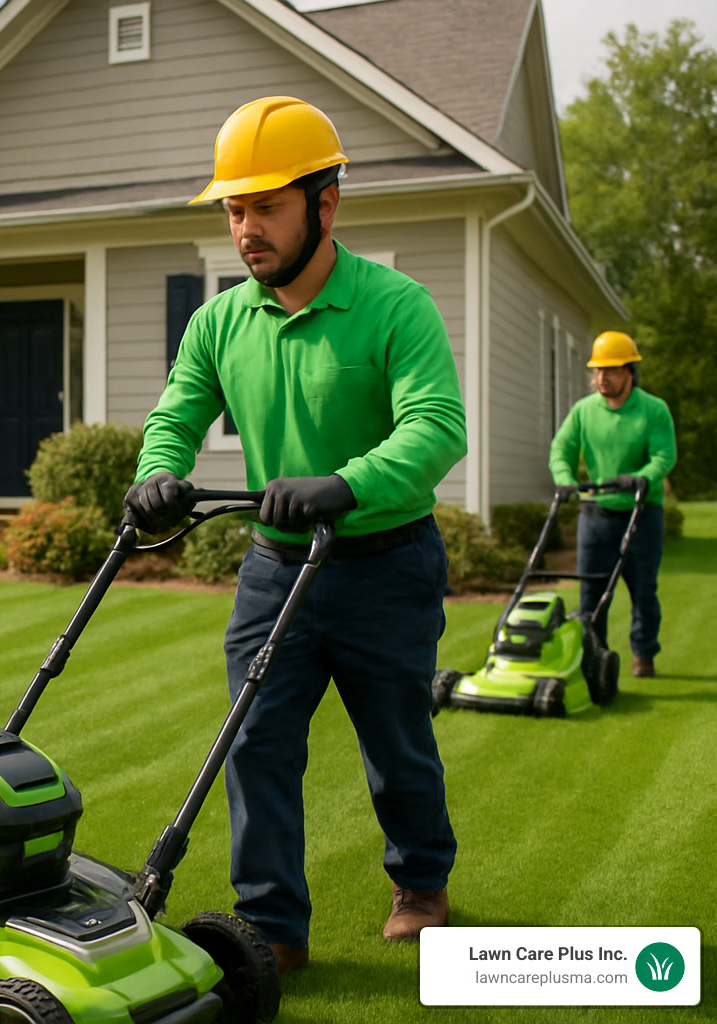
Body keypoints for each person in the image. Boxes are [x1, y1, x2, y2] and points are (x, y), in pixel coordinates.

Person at [124, 97, 467, 973]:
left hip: (385, 563)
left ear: (327, 202)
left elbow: (435, 429)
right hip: (277, 569)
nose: (246, 229)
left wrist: (346, 484)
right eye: (235, 210)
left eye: (265, 206)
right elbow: (175, 416)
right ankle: (271, 930)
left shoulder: (396, 306)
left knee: (395, 741)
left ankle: (421, 884)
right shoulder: (218, 323)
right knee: (256, 737)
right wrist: (155, 477)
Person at [548, 331, 675, 678]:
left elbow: (665, 454)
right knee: (591, 593)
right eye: (597, 371)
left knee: (644, 590)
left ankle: (644, 655)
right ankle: (595, 657)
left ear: (630, 371)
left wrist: (643, 476)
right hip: (596, 513)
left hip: (642, 513)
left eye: (611, 370)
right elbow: (562, 450)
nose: (601, 378)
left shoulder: (653, 410)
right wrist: (565, 479)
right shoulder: (583, 411)